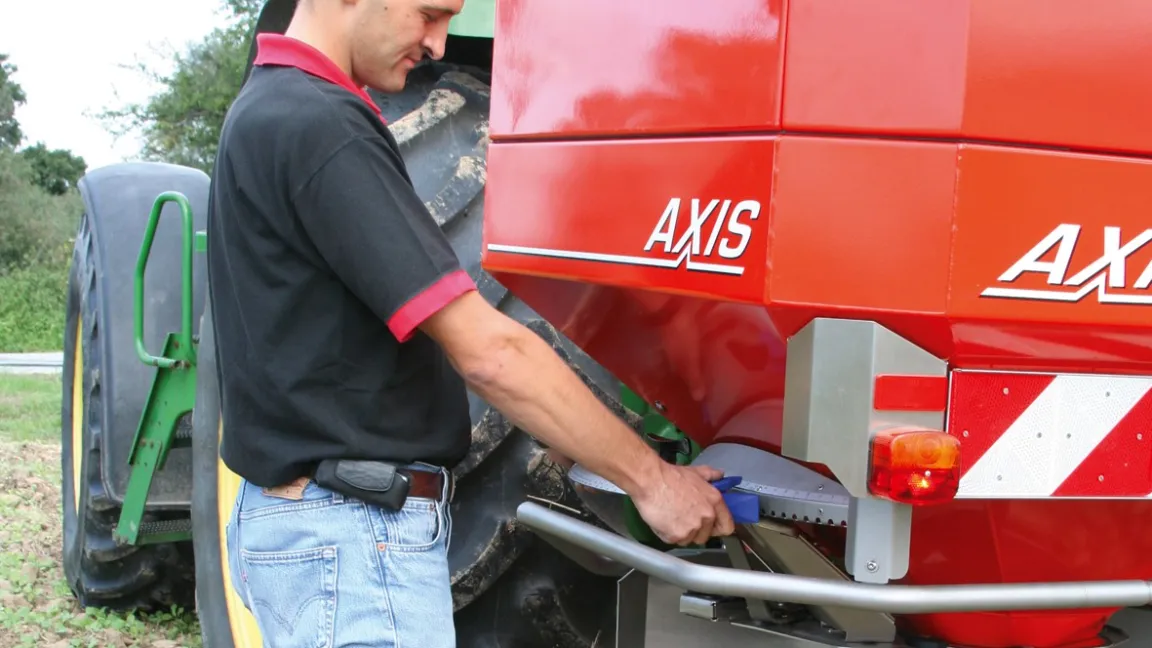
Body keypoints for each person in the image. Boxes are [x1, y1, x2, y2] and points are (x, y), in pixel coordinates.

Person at [205, 0, 736, 645]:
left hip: (318, 536)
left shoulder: (266, 109)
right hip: (352, 543)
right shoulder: (320, 123)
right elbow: (490, 353)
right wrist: (653, 482)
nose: (437, 43)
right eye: (428, 13)